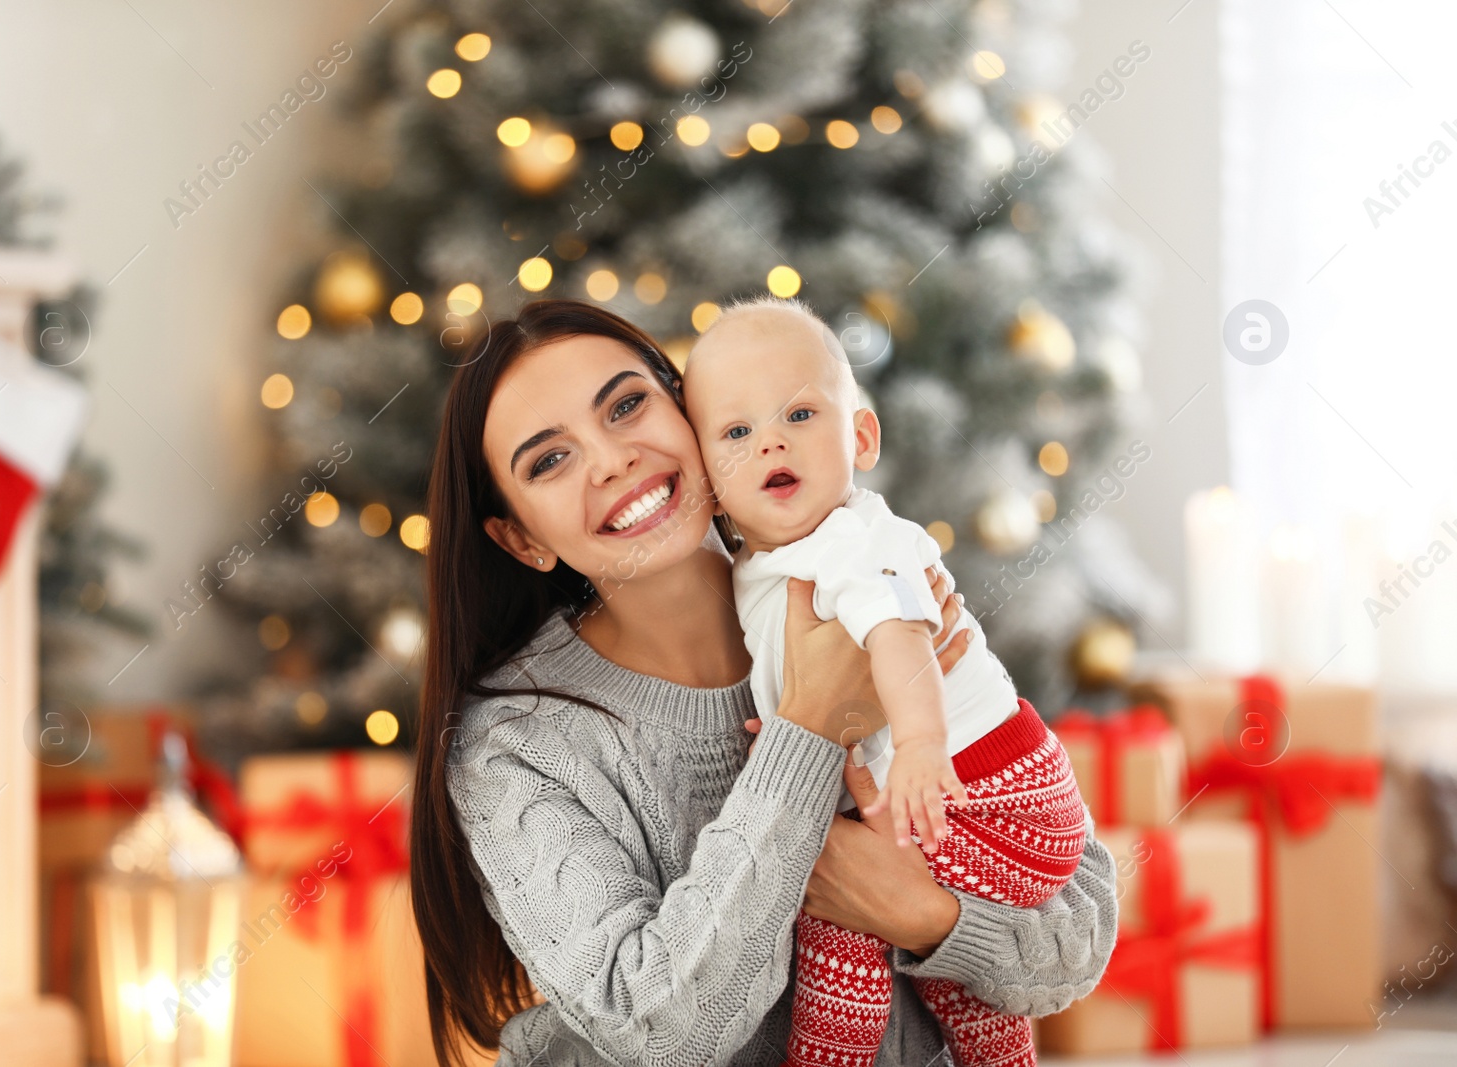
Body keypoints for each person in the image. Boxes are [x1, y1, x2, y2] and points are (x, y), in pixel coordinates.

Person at [409, 299, 1117, 1067]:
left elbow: (1076, 937)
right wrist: (808, 726)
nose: (612, 460)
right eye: (550, 459)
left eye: (627, 405)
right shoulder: (514, 742)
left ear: (692, 413)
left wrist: (925, 915)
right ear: (521, 537)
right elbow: (663, 1035)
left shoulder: (865, 581)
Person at [682, 295, 1088, 1067]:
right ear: (707, 477)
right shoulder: (759, 567)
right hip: (970, 792)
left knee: (840, 914)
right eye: (737, 432)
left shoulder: (853, 543)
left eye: (798, 415)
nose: (771, 441)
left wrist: (922, 743)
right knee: (960, 986)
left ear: (860, 436)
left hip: (995, 792)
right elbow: (806, 679)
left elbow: (901, 631)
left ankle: (830, 1056)